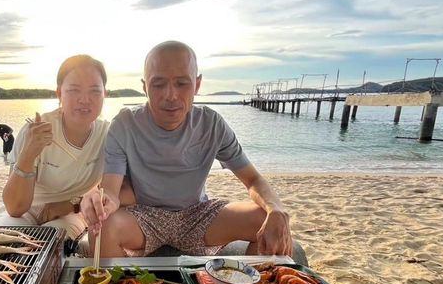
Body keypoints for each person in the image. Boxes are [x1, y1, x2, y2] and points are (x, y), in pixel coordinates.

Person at [82, 40, 293, 258]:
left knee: (264, 218)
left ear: (198, 84)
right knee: (102, 228)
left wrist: (275, 208)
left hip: (198, 214)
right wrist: (100, 201)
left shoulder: (211, 124)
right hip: (144, 215)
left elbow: (253, 179)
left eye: (182, 83)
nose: (171, 95)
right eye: (158, 84)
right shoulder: (125, 124)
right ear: (145, 87)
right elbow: (111, 191)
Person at [0, 55, 112, 245]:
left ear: (105, 94)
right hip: (25, 209)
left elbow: (115, 191)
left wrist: (70, 204)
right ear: (59, 93)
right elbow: (15, 207)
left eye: (94, 91)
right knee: (9, 241)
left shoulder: (108, 135)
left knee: (54, 244)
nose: (85, 99)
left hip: (71, 213)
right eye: (74, 90)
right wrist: (29, 153)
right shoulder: (38, 129)